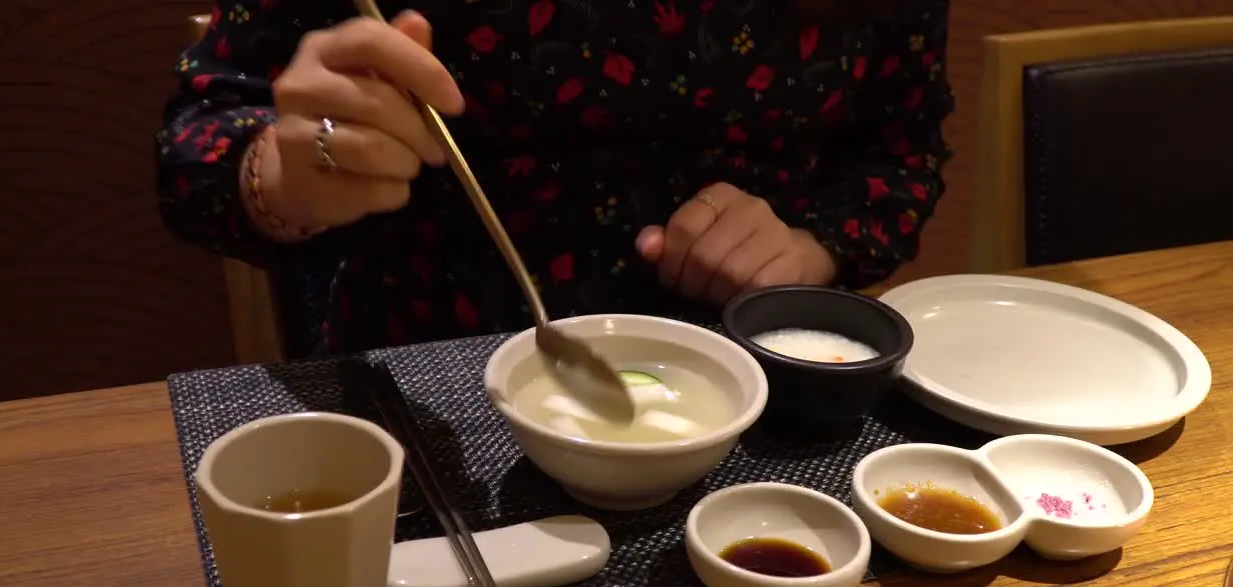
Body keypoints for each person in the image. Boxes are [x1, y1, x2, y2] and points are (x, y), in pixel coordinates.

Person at [157, 0, 954, 357]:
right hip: (438, 398)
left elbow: (902, 148)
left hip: (765, 380)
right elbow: (195, 147)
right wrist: (284, 175)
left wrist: (811, 252)